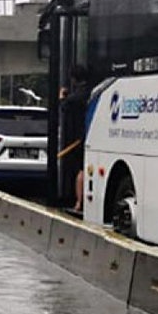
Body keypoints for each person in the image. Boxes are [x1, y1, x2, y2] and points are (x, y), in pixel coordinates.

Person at [59, 65, 89, 213]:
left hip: (78, 139)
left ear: (73, 80)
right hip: (88, 135)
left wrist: (61, 96)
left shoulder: (75, 97)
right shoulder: (91, 92)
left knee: (81, 170)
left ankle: (79, 202)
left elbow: (64, 106)